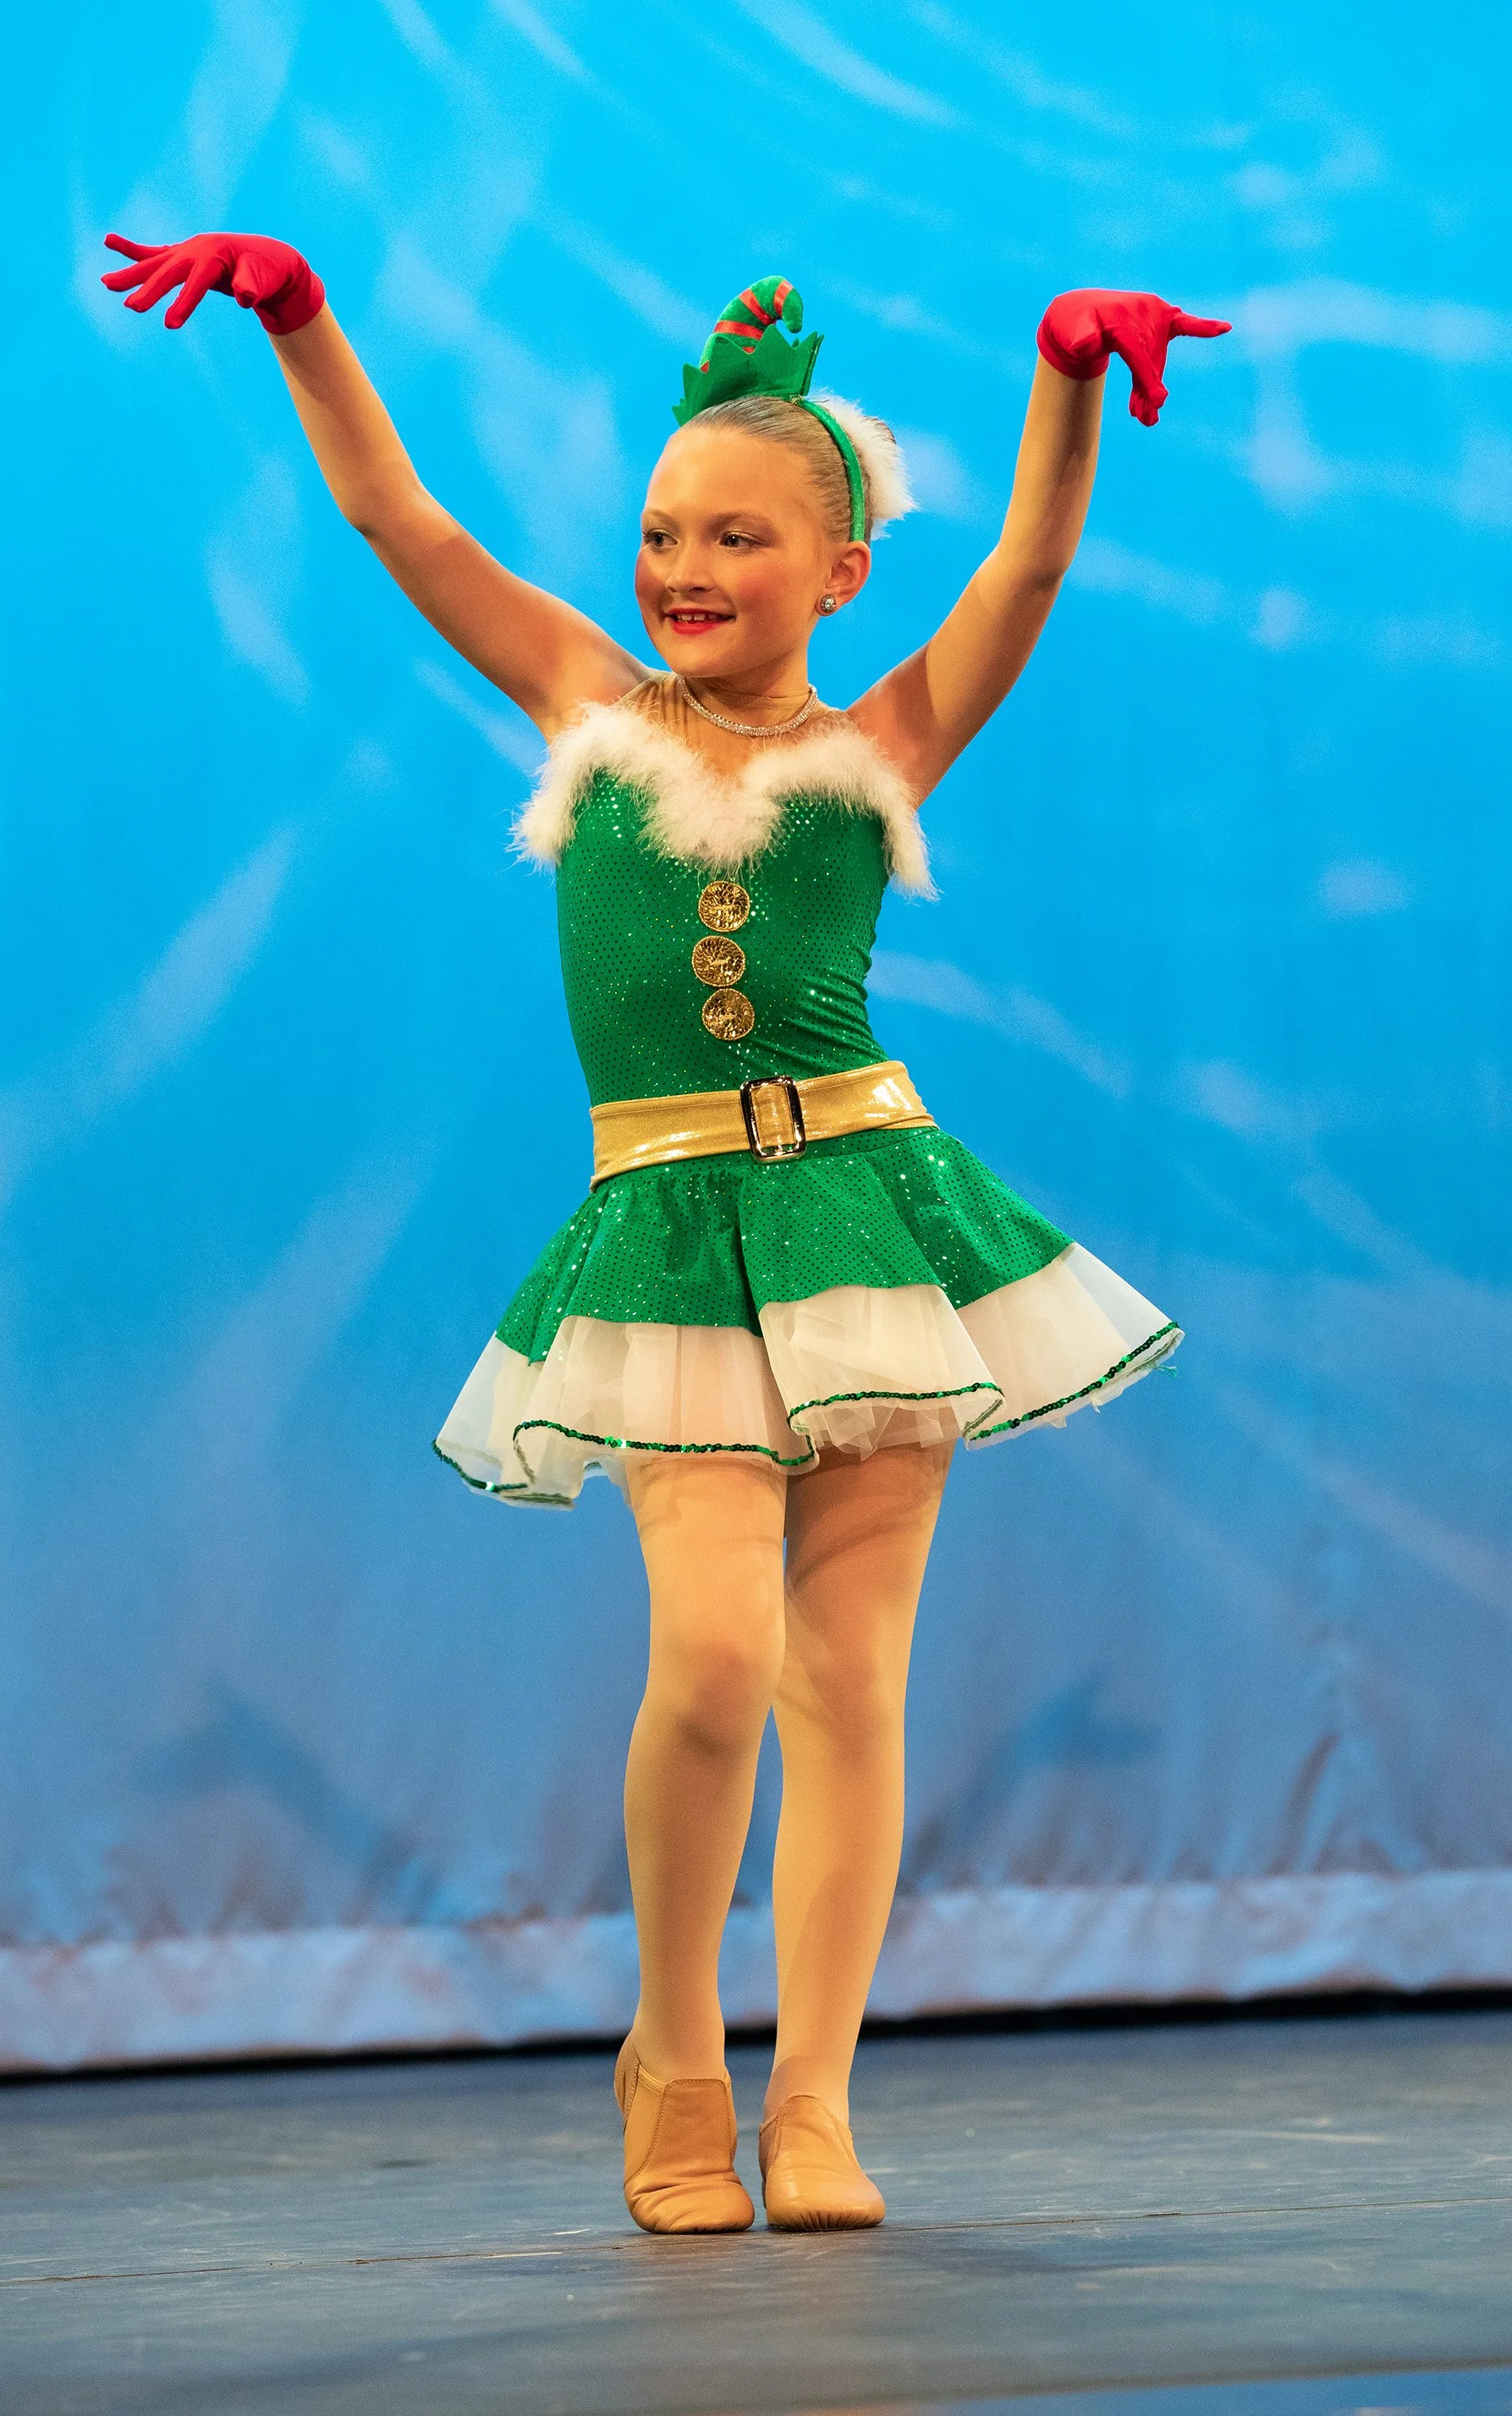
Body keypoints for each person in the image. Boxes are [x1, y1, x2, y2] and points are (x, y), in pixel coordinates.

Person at [103, 232, 1228, 2235]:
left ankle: (814, 2101)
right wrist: (300, 320)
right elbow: (399, 514)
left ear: (837, 566)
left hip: (871, 1213)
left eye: (737, 535)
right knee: (712, 1660)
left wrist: (1062, 390)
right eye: (659, 529)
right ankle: (672, 2056)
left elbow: (1029, 576)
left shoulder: (874, 745)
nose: (684, 566)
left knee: (850, 1682)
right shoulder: (586, 707)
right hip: (667, 1226)